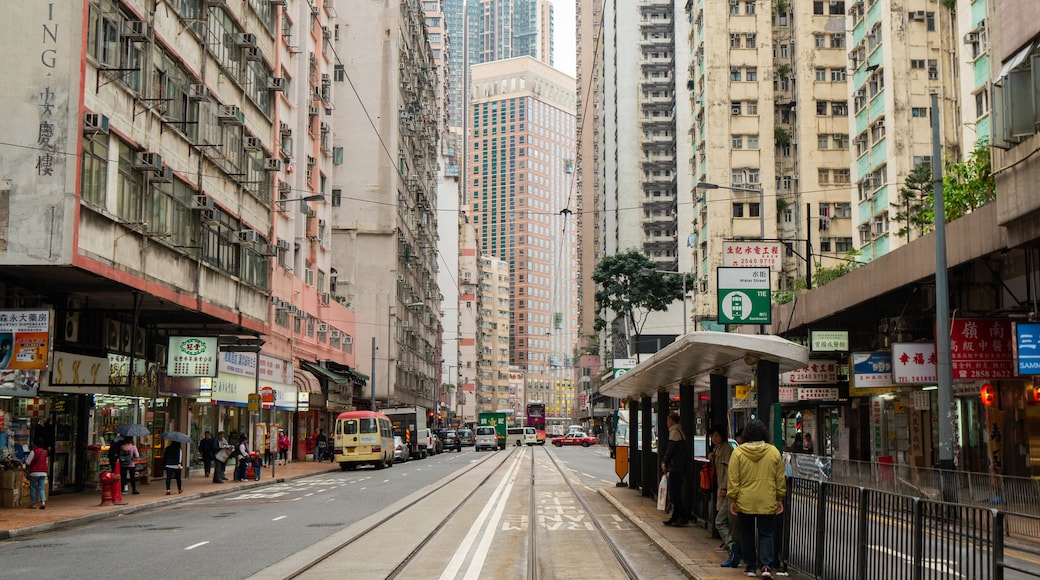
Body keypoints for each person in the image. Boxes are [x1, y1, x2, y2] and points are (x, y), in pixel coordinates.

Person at [728, 419, 786, 579]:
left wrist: (733, 498)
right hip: (767, 499)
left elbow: (733, 479)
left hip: (744, 500)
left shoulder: (738, 453)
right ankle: (766, 566)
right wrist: (779, 497)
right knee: (766, 533)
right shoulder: (773, 452)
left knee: (746, 533)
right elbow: (780, 478)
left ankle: (751, 567)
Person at [710, 426, 742, 567]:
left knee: (725, 520)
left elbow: (730, 471)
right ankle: (732, 547)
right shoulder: (717, 449)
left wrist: (725, 487)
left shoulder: (728, 450)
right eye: (713, 436)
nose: (714, 438)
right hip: (727, 489)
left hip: (729, 490)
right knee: (724, 520)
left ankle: (732, 546)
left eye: (717, 435)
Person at [660, 412, 691, 527]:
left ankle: (682, 516)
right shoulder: (680, 431)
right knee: (676, 493)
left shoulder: (674, 433)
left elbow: (670, 450)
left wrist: (664, 462)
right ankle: (676, 516)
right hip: (680, 467)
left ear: (672, 421)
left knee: (674, 494)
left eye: (668, 421)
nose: (667, 423)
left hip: (676, 468)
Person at [25, 440, 48, 509]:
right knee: (41, 488)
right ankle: (43, 502)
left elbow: (27, 462)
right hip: (43, 472)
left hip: (34, 472)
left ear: (36, 445)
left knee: (33, 488)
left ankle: (33, 503)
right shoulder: (45, 452)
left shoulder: (33, 451)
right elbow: (46, 462)